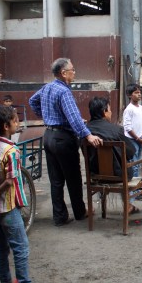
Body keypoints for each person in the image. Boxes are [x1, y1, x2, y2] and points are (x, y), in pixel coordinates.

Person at [0, 106, 56, 283]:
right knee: (20, 247)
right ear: (6, 125)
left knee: (1, 246)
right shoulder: (12, 151)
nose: (18, 122)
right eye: (15, 119)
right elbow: (10, 181)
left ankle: (5, 282)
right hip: (9, 207)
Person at [29, 58, 102, 226]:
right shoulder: (64, 91)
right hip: (63, 138)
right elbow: (74, 118)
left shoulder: (48, 87)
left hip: (48, 136)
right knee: (73, 178)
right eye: (72, 70)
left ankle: (59, 217)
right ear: (63, 73)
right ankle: (80, 212)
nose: (74, 72)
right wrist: (88, 135)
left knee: (56, 180)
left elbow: (32, 101)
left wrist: (47, 116)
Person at [86, 97, 140, 215]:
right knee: (123, 166)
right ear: (104, 112)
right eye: (109, 109)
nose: (110, 112)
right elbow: (131, 151)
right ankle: (128, 205)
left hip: (95, 175)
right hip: (119, 176)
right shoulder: (116, 130)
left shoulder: (85, 131)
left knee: (117, 165)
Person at [123, 84, 142, 178]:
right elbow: (127, 127)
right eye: (136, 92)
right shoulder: (129, 109)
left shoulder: (141, 108)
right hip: (132, 140)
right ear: (129, 95)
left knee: (137, 162)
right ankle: (133, 190)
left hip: (139, 139)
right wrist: (137, 138)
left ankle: (135, 187)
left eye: (140, 92)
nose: (139, 94)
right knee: (134, 165)